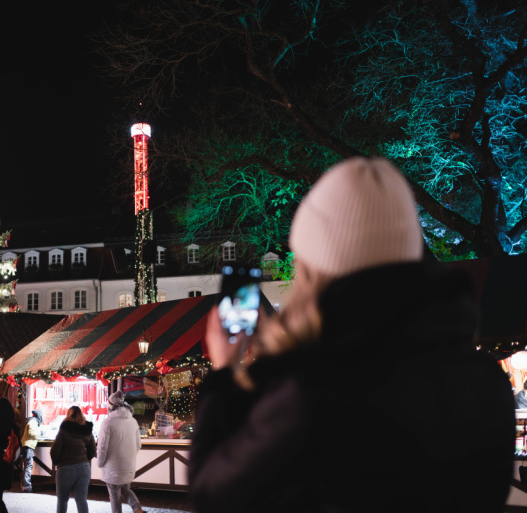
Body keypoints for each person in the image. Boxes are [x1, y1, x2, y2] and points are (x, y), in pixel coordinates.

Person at [188, 157, 515, 513]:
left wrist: (223, 373)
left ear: (317, 268)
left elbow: (213, 493)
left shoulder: (310, 393)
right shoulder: (487, 384)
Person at [97, 392, 144, 513]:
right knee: (125, 489)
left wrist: (100, 463)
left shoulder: (107, 422)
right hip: (128, 464)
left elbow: (102, 446)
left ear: (110, 405)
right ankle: (137, 508)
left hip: (112, 466)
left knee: (114, 494)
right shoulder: (133, 421)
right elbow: (138, 445)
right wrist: (130, 457)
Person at [51, 406, 96, 513]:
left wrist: (56, 462)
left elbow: (55, 449)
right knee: (81, 499)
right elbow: (93, 450)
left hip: (66, 468)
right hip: (84, 468)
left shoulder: (65, 428)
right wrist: (85, 459)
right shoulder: (87, 429)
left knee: (62, 500)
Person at [20, 408, 43, 492]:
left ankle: (25, 485)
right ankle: (27, 486)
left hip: (27, 446)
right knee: (28, 466)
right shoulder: (33, 422)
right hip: (28, 446)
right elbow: (31, 433)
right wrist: (40, 433)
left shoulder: (32, 421)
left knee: (27, 465)